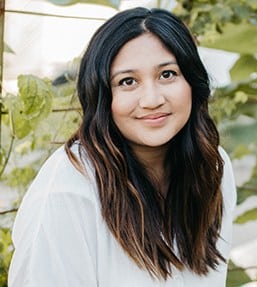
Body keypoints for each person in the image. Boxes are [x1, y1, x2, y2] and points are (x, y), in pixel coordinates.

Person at [8, 7, 236, 287]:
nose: (152, 99)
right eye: (128, 82)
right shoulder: (67, 191)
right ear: (103, 96)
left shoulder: (212, 168)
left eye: (167, 74)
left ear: (192, 81)